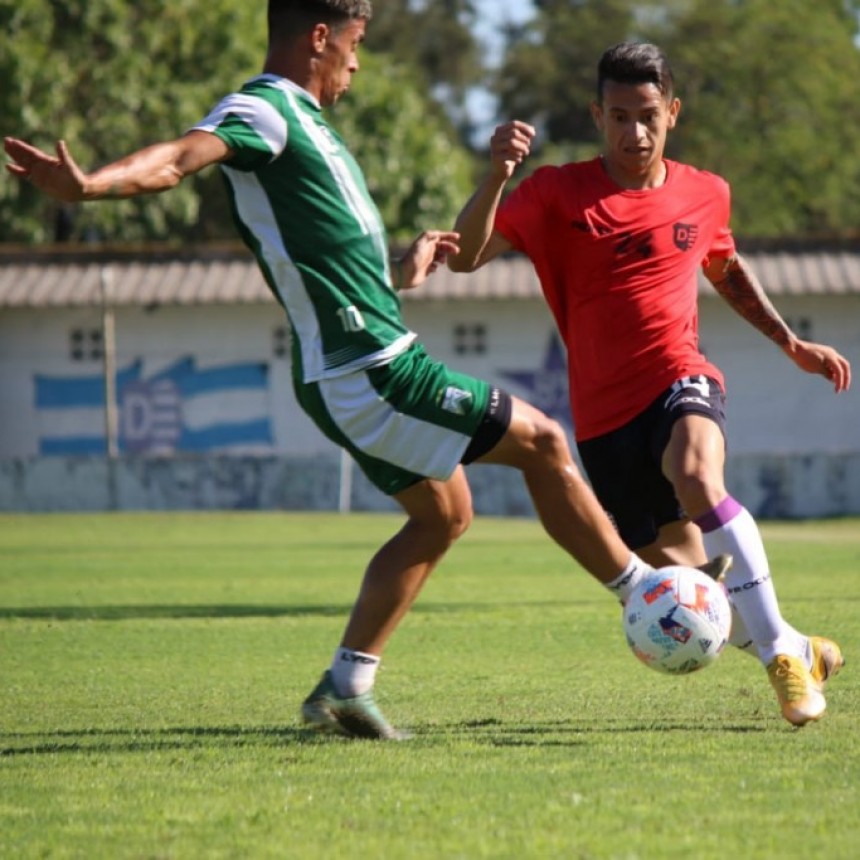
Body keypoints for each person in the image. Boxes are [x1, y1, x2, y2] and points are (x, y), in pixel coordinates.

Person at [3, 6, 727, 741]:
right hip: (368, 366)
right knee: (541, 442)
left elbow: (321, 262)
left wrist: (393, 277)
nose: (357, 62)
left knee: (444, 516)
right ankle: (655, 596)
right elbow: (179, 157)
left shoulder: (309, 124)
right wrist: (91, 187)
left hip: (357, 355)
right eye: (355, 45)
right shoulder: (264, 110)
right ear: (320, 37)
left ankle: (345, 688)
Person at [448, 41, 851, 727]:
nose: (634, 132)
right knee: (694, 595)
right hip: (603, 421)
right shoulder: (553, 192)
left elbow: (724, 267)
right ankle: (796, 648)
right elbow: (465, 257)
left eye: (647, 115)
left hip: (680, 376)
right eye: (618, 116)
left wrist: (790, 343)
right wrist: (497, 177)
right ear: (596, 117)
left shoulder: (706, 191)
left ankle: (783, 654)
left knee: (698, 474)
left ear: (673, 112)